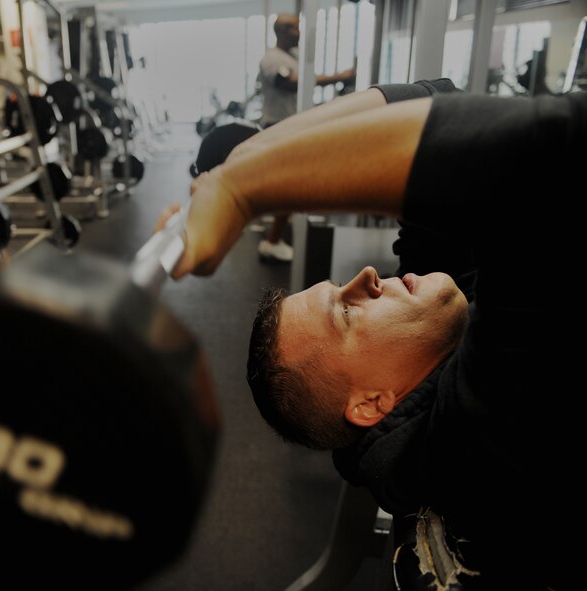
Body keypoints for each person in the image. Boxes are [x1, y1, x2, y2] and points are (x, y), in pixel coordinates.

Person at [168, 81, 583, 588]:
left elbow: (434, 99)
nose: (367, 276)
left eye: (341, 288)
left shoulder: (426, 349)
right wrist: (243, 189)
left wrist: (246, 154)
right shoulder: (481, 434)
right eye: (346, 312)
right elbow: (541, 163)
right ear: (370, 403)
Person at [255, 12, 356, 263]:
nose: (297, 33)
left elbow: (305, 83)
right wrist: (340, 77)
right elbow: (288, 83)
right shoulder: (271, 58)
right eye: (291, 28)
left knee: (285, 184)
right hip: (276, 127)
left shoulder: (296, 56)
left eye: (298, 28)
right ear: (278, 31)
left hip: (292, 125)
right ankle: (272, 241)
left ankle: (273, 233)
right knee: (288, 185)